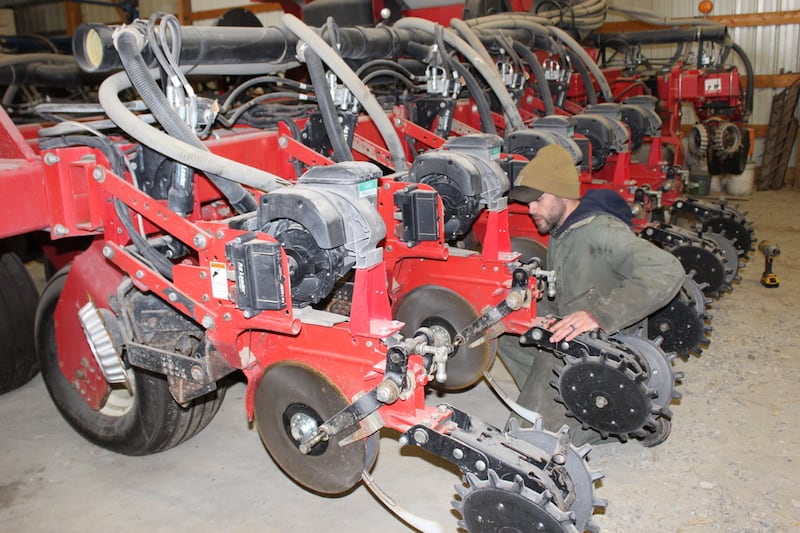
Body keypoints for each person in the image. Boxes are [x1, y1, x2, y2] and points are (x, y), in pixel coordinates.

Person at [497, 143, 686, 445]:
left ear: (562, 194)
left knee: (525, 441)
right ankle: (578, 409)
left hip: (602, 350)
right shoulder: (564, 231)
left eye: (538, 199)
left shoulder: (602, 233)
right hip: (574, 340)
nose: (530, 208)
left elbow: (667, 269)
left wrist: (598, 315)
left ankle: (620, 414)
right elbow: (569, 292)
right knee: (503, 328)